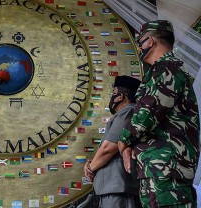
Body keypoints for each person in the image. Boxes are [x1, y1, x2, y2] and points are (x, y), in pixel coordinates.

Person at [118, 20, 200, 208]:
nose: (139, 46)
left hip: (166, 168)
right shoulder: (162, 69)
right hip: (158, 168)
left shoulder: (168, 67)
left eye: (140, 42)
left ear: (151, 41)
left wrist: (123, 141)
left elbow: (148, 112)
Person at [84, 75, 141, 208]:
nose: (111, 97)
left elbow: (108, 148)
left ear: (120, 96)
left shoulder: (128, 112)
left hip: (118, 188)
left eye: (113, 93)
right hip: (112, 188)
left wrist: (90, 168)